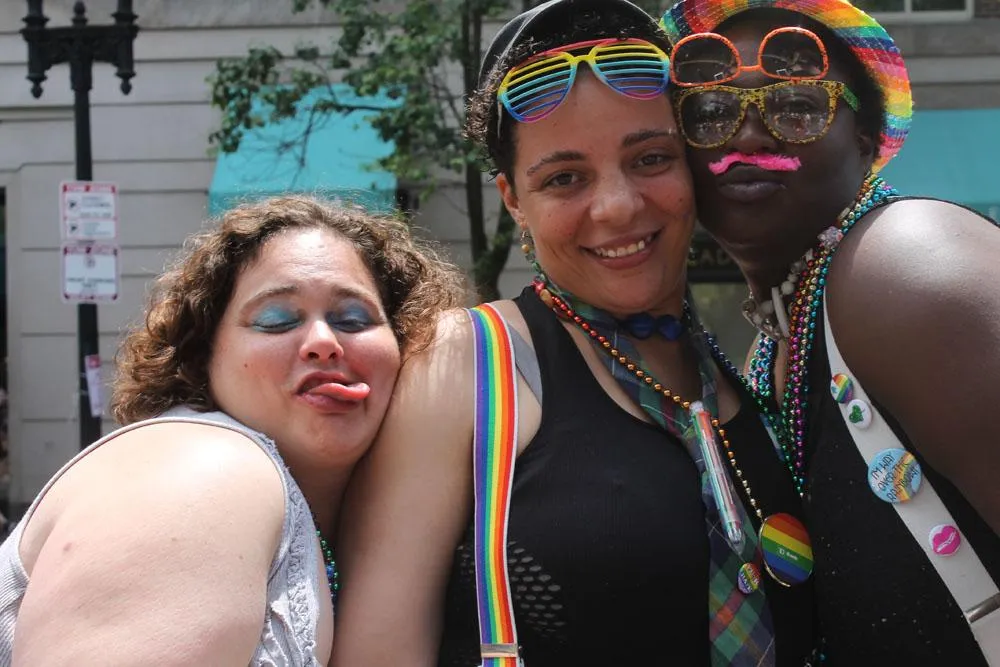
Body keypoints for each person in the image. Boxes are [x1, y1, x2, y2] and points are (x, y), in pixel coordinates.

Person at [332, 1, 817, 665]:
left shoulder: (749, 375)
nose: (617, 206)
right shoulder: (468, 363)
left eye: (650, 158)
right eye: (564, 178)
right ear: (513, 200)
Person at [659, 1, 1000, 663]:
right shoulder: (781, 338)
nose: (748, 135)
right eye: (710, 111)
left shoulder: (903, 260)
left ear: (865, 139)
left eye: (796, 106)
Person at [0, 195, 465, 665]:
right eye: (277, 321)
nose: (324, 343)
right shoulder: (204, 470)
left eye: (353, 319)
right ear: (204, 355)